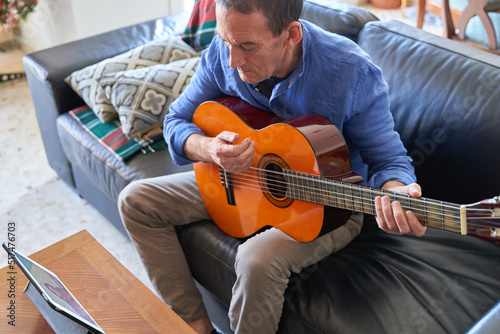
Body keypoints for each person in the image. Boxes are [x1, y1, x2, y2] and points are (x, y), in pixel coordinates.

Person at [118, 0, 427, 333]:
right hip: (233, 177)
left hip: (330, 203)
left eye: (248, 47)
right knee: (136, 201)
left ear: (291, 34)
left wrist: (398, 194)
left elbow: (389, 161)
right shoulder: (226, 47)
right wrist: (209, 149)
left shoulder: (351, 71)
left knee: (255, 259)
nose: (233, 60)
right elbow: (175, 120)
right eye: (226, 41)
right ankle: (193, 325)